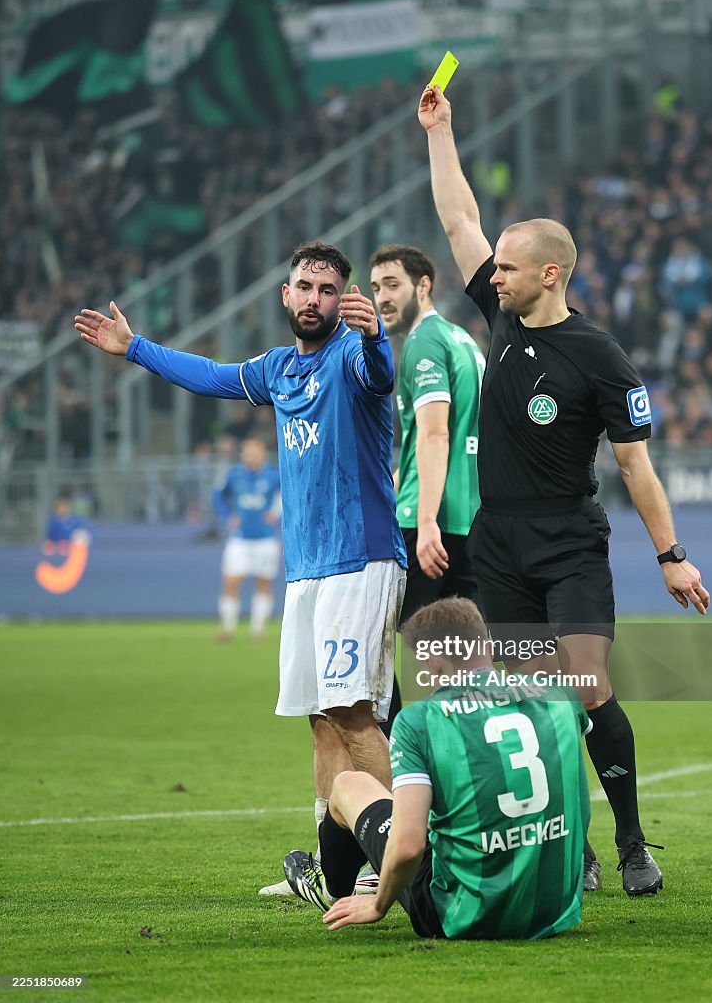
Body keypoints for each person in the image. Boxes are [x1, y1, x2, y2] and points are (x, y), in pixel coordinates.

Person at [417, 84, 711, 896]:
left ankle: (632, 843)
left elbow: (635, 467)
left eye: (507, 268)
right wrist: (441, 133)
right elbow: (458, 221)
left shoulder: (601, 358)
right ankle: (569, 846)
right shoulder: (503, 322)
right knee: (527, 700)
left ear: (550, 273)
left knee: (584, 688)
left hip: (570, 543)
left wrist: (672, 556)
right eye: (494, 268)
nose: (491, 276)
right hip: (499, 543)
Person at [74, 241, 408, 886]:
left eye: (328, 290)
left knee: (356, 714)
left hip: (359, 560)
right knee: (320, 722)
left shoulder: (352, 355)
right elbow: (214, 376)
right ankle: (334, 865)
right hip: (307, 569)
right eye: (304, 288)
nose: (315, 299)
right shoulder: (279, 369)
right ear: (286, 295)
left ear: (344, 301)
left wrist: (375, 339)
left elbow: (379, 374)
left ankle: (396, 860)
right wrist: (136, 347)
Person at [283, 596, 591, 940]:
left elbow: (410, 845)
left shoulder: (420, 720)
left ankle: (332, 890)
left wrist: (379, 905)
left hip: (460, 915)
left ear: (429, 660)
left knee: (348, 786)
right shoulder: (561, 695)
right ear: (488, 644)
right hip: (555, 908)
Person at [369, 243, 484, 739]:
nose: (381, 298)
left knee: (374, 644)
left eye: (392, 285)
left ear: (423, 285)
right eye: (375, 288)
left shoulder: (422, 345)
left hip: (428, 519)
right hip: (473, 516)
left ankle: (400, 759)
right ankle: (475, 749)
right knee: (462, 651)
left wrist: (428, 519)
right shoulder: (464, 341)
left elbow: (436, 434)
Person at [212, 437, 281, 642]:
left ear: (262, 454)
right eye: (246, 452)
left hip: (266, 538)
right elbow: (218, 497)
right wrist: (228, 516)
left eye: (253, 452)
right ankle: (228, 628)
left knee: (264, 582)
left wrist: (276, 516)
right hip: (239, 538)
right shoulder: (234, 475)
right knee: (231, 581)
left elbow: (287, 496)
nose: (249, 456)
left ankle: (257, 630)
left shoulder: (273, 475)